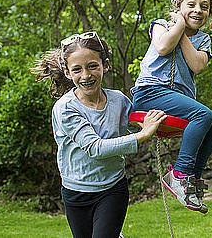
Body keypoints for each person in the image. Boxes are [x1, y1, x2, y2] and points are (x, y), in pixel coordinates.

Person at [31, 31, 167, 238]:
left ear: (105, 65)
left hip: (112, 188)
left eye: (93, 66)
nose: (86, 75)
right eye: (77, 69)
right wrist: (142, 136)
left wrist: (157, 124)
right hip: (76, 192)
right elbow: (95, 148)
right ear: (68, 73)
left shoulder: (119, 100)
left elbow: (136, 125)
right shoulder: (65, 108)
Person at [132, 0, 212, 214]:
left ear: (209, 13)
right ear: (179, 7)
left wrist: (182, 29)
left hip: (175, 98)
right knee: (202, 114)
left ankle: (191, 179)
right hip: (150, 93)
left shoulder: (203, 40)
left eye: (204, 7)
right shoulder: (161, 25)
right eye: (191, 5)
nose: (198, 10)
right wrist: (178, 25)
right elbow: (163, 47)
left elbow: (197, 64)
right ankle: (180, 174)